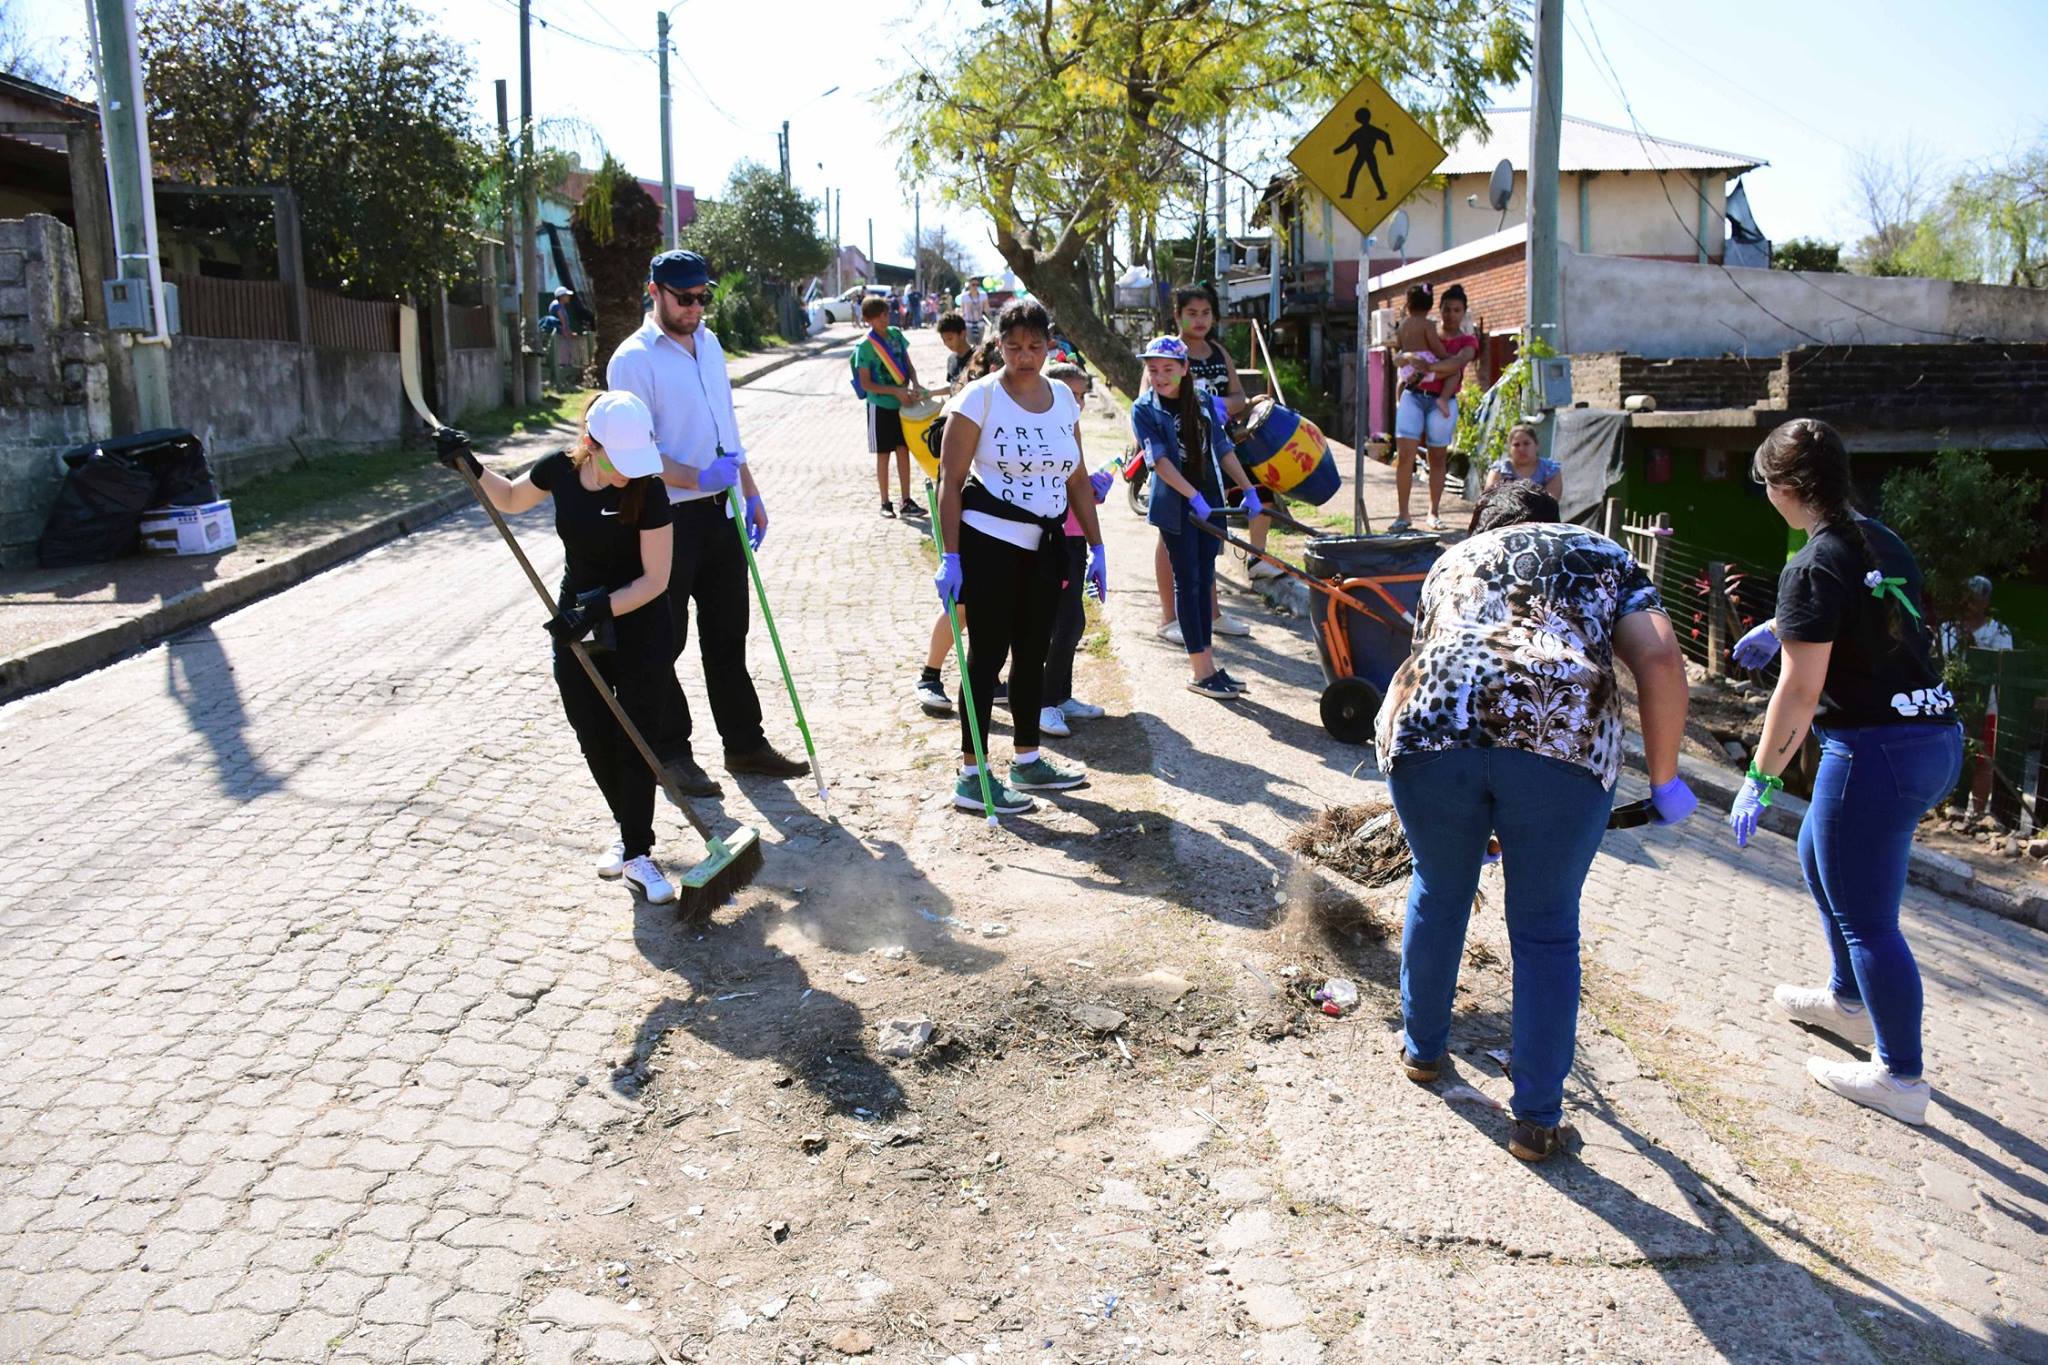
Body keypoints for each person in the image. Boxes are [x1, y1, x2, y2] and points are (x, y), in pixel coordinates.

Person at [1375, 480, 1695, 1161]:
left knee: (1439, 884)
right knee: (1546, 928)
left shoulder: (1449, 563)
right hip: (1559, 738)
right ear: (1555, 521)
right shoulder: (1601, 552)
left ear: (1481, 525)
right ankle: (1535, 1120)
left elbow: (1438, 665)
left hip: (1425, 736)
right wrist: (1665, 780)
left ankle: (1423, 1050)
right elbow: (1661, 657)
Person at [1726, 418, 1961, 1127]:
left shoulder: (1813, 562)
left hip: (1876, 751)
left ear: (1788, 489)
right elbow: (1876, 614)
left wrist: (1759, 779)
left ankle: (1901, 1075)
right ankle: (1847, 1000)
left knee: (1869, 917)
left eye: (1765, 483)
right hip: (1933, 738)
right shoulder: (1879, 538)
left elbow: (1797, 694)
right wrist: (1787, 622)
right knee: (1817, 855)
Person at [433, 395, 682, 904]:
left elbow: (656, 580)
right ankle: (627, 831)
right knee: (592, 733)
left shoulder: (649, 491)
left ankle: (638, 851)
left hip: (638, 621)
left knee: (634, 738)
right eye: (617, 461)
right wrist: (469, 463)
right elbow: (507, 498)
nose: (626, 474)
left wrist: (599, 609)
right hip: (575, 623)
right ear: (590, 445)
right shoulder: (559, 471)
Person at [607, 249, 811, 793]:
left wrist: (749, 488)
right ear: (655, 292)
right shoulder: (633, 360)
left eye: (703, 297)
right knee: (663, 641)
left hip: (721, 514)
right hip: (665, 519)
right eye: (684, 298)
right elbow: (635, 454)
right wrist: (699, 478)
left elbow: (726, 425)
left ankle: (744, 744)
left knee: (728, 635)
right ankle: (671, 752)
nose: (696, 307)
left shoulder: (711, 344)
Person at [933, 298, 1107, 813]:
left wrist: (1096, 544)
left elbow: (1075, 475)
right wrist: (952, 557)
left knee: (1034, 654)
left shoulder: (1062, 398)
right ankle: (972, 772)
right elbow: (950, 480)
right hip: (989, 543)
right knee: (986, 656)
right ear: (1000, 346)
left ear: (1049, 346)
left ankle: (1028, 760)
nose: (1025, 356)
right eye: (1014, 346)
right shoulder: (978, 399)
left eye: (1035, 346)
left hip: (1047, 545)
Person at [1133, 336, 1265, 700]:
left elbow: (1221, 448)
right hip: (1176, 508)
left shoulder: (1204, 401)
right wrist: (1191, 496)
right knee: (1188, 583)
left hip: (1209, 501)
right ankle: (1200, 671)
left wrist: (1247, 488)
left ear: (1185, 369)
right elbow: (1158, 460)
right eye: (1153, 370)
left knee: (1206, 580)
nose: (1160, 377)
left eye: (1168, 369)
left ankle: (1209, 665)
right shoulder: (1145, 409)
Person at [1143, 287, 1260, 638]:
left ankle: (1213, 613)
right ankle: (1169, 617)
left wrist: (1219, 405)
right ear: (1177, 316)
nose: (1199, 320)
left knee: (1208, 541)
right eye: (1191, 313)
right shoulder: (1165, 352)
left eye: (1206, 312)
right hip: (1172, 460)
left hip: (1210, 456)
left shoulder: (1218, 352)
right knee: (1171, 538)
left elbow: (1238, 395)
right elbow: (1146, 399)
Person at [1038, 361, 1113, 737]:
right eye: (1073, 394)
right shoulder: (1042, 430)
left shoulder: (1071, 427)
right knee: (1058, 623)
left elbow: (1076, 481)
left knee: (1073, 620)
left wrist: (1091, 493)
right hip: (1050, 537)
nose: (1079, 402)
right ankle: (1043, 702)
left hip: (1074, 535)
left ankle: (1061, 695)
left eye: (1082, 395)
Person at [1390, 283, 1479, 533]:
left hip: (1442, 400)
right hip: (1414, 395)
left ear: (1464, 312)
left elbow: (1458, 363)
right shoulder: (1426, 329)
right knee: (1405, 454)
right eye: (1447, 309)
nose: (1451, 314)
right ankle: (1403, 515)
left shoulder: (1467, 340)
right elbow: (1398, 356)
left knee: (1437, 456)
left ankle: (1434, 512)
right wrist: (1409, 358)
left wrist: (1428, 366)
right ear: (1438, 309)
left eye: (1456, 310)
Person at [1937, 575, 2014, 825]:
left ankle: (1979, 813)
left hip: (1986, 705)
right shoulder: (1946, 629)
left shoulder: (1998, 632)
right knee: (1946, 755)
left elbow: (2004, 667)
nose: (1972, 604)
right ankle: (1947, 806)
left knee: (1983, 759)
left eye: (1977, 599)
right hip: (1949, 703)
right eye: (1969, 598)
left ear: (1986, 601)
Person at [853, 296, 927, 518]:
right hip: (880, 406)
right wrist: (895, 391)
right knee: (883, 454)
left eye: (885, 314)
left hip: (903, 406)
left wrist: (914, 382)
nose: (883, 319)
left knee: (903, 450)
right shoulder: (865, 347)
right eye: (878, 317)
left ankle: (906, 500)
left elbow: (908, 364)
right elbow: (866, 383)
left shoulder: (896, 335)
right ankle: (885, 503)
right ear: (868, 320)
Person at [1391, 284, 1460, 418]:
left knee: (1401, 380)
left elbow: (1398, 346)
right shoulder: (1428, 324)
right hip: (1424, 364)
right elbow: (1435, 346)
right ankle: (1443, 399)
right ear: (1429, 305)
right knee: (1455, 372)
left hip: (1406, 367)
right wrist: (1446, 357)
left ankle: (1399, 401)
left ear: (1408, 305)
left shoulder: (1403, 325)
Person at [1483, 423, 1563, 501]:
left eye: (1526, 443)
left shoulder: (1551, 471)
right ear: (1510, 449)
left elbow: (1550, 503)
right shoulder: (1499, 470)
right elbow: (1489, 500)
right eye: (1516, 445)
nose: (1521, 449)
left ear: (1536, 445)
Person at [937, 311, 972, 391]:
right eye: (944, 340)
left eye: (950, 339)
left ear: (962, 334)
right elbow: (952, 387)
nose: (947, 343)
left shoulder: (978, 358)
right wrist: (928, 393)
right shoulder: (951, 359)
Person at [960, 277, 988, 345]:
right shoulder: (964, 296)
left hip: (980, 324)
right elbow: (962, 310)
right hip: (968, 324)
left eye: (977, 285)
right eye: (973, 284)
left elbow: (986, 309)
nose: (975, 286)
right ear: (969, 285)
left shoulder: (983, 295)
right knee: (971, 345)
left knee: (979, 344)